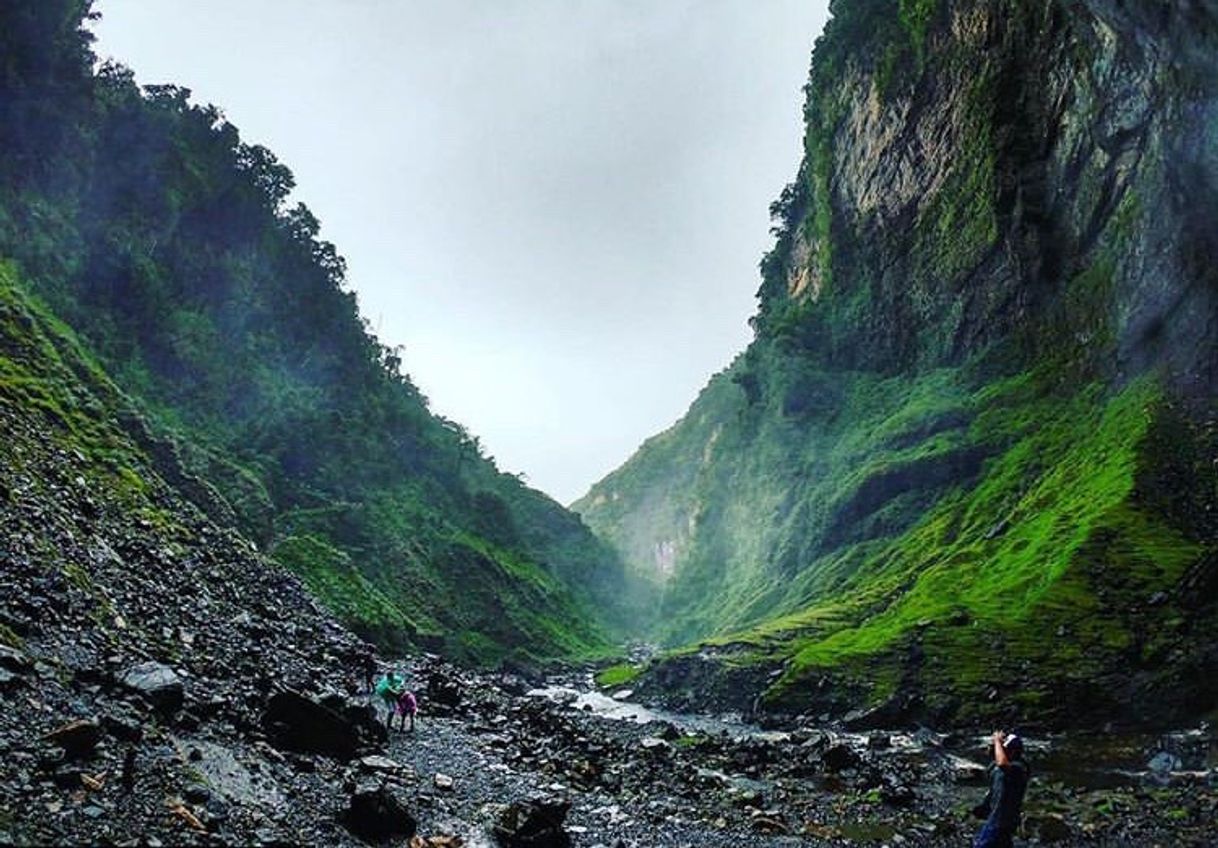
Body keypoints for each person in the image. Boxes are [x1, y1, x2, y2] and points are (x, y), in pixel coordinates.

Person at [972, 730, 1030, 848]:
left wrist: (998, 741)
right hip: (999, 819)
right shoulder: (997, 767)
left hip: (1001, 821)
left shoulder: (1019, 767)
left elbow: (1002, 764)